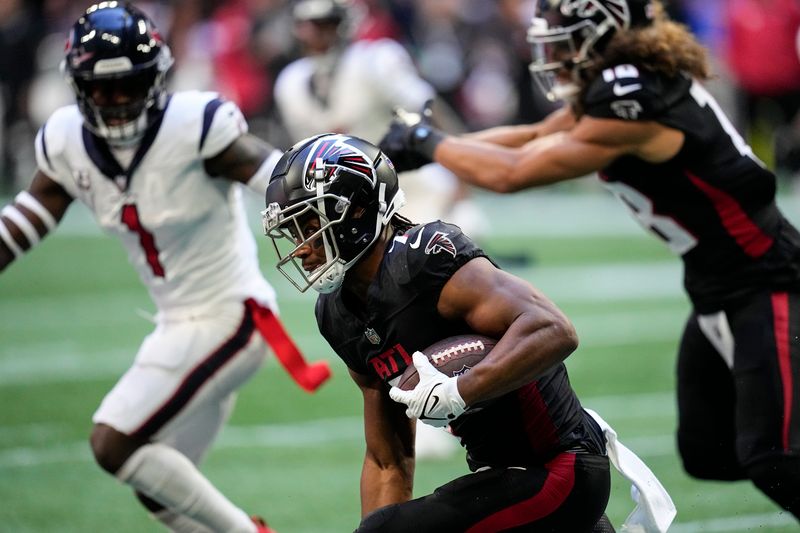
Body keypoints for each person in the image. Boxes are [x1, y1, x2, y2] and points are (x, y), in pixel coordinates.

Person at [378, 0, 800, 521]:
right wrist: (433, 150)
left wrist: (431, 141)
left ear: (605, 32)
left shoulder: (635, 98)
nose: (553, 51)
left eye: (563, 36)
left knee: (774, 455)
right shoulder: (625, 84)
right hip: (717, 285)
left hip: (766, 279)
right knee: (707, 449)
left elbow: (516, 171)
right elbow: (532, 136)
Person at [0, 3, 331, 532]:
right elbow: (28, 217)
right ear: (79, 85)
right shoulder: (66, 139)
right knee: (158, 486)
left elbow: (280, 177)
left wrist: (335, 198)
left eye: (128, 84)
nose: (114, 101)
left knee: (113, 441)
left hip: (231, 316)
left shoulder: (195, 125)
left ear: (154, 78)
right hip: (176, 325)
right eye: (101, 88)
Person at [261, 133, 675, 532]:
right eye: (294, 232)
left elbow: (554, 328)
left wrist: (463, 390)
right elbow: (389, 460)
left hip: (559, 467)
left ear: (356, 210)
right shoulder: (338, 314)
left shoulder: (424, 259)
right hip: (500, 476)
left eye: (310, 223)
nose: (300, 247)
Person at [273, 0, 484, 238]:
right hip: (349, 200)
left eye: (323, 25)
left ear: (342, 26)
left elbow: (432, 112)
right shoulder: (290, 83)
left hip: (411, 188)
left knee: (446, 239)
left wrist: (462, 180)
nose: (312, 35)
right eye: (307, 25)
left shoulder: (375, 62)